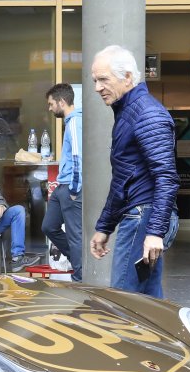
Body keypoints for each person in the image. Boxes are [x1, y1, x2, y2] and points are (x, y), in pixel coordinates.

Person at [87, 44, 179, 297]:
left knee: (124, 302)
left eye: (103, 79)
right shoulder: (131, 112)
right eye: (95, 80)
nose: (97, 88)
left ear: (127, 77)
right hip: (142, 216)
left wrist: (154, 232)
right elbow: (123, 179)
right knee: (148, 302)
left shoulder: (147, 114)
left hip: (143, 217)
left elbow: (167, 178)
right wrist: (104, 227)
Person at [43, 82, 83, 280]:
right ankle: (80, 260)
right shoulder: (70, 122)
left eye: (51, 104)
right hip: (62, 186)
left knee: (75, 236)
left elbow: (78, 157)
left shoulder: (74, 122)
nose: (50, 109)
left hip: (70, 188)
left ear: (61, 102)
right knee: (48, 227)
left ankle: (80, 277)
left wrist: (74, 189)